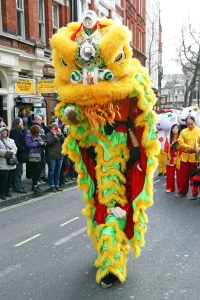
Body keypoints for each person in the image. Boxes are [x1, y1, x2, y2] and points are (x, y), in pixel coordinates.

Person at [175, 116, 200, 199]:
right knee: (183, 176)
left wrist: (196, 148)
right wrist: (188, 147)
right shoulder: (183, 131)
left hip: (195, 156)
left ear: (194, 122)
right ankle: (182, 191)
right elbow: (180, 142)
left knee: (195, 176)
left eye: (191, 124)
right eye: (188, 124)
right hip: (185, 156)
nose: (190, 126)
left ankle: (195, 193)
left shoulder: (198, 131)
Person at [10, 118, 28, 193]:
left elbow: (25, 137)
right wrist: (23, 149)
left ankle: (18, 185)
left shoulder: (21, 130)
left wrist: (24, 129)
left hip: (21, 153)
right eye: (21, 121)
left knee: (19, 171)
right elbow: (16, 142)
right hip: (18, 153)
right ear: (17, 122)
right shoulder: (14, 131)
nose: (22, 122)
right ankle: (17, 186)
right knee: (18, 171)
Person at [45, 123, 64, 192]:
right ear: (51, 128)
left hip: (59, 155)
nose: (56, 129)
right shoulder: (48, 135)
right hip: (51, 156)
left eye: (57, 128)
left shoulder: (59, 134)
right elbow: (49, 143)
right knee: (52, 172)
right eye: (55, 128)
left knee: (58, 172)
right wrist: (54, 137)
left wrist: (60, 134)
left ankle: (57, 185)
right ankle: (52, 186)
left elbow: (64, 141)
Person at [25, 125, 44, 193]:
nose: (38, 133)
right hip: (32, 155)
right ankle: (34, 186)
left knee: (38, 171)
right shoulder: (28, 135)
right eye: (37, 132)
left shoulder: (36, 135)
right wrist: (38, 143)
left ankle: (35, 186)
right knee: (35, 172)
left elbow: (39, 141)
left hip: (38, 155)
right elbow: (28, 144)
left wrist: (42, 142)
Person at [0, 127, 17, 200]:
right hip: (3, 163)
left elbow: (15, 149)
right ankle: (2, 193)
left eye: (5, 131)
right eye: (3, 131)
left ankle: (7, 192)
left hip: (11, 163)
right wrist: (6, 152)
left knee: (9, 179)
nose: (4, 133)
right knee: (4, 179)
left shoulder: (11, 140)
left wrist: (10, 153)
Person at [165, 124, 181, 193]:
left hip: (179, 158)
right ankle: (170, 187)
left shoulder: (181, 138)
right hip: (170, 158)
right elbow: (165, 148)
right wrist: (169, 148)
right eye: (173, 128)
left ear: (179, 129)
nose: (174, 129)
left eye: (176, 128)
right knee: (170, 174)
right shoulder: (168, 138)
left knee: (180, 175)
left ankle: (181, 189)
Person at [33, 115, 48, 183]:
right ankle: (37, 179)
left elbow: (47, 130)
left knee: (42, 163)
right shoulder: (34, 127)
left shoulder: (41, 126)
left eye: (41, 120)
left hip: (43, 146)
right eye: (40, 120)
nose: (41, 121)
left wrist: (43, 124)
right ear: (36, 120)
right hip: (37, 147)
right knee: (38, 164)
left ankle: (41, 177)